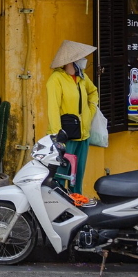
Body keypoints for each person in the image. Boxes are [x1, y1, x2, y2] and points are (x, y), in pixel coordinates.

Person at [47, 40, 99, 195]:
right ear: (70, 61)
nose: (83, 61)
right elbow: (53, 108)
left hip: (83, 135)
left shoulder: (82, 77)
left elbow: (93, 92)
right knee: (62, 175)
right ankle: (60, 206)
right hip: (66, 136)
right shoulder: (56, 79)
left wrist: (90, 111)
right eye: (79, 58)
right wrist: (58, 137)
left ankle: (77, 203)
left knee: (78, 176)